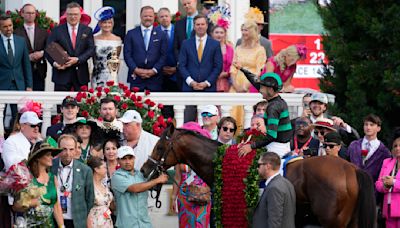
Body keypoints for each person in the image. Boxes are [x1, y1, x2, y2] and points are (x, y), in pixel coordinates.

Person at [237, 72, 293, 158]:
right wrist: (242, 69)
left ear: (270, 90)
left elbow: (271, 135)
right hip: (282, 145)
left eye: (262, 88)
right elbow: (255, 82)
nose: (260, 90)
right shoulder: (277, 100)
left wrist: (251, 146)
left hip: (276, 149)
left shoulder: (273, 107)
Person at [178, 14, 223, 122]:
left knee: (208, 121)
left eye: (202, 24)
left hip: (208, 89)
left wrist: (207, 82)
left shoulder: (215, 44)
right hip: (189, 89)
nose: (200, 26)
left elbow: (218, 66)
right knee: (188, 122)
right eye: (197, 24)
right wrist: (191, 82)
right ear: (194, 26)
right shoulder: (186, 43)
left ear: (207, 26)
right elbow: (182, 65)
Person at [111, 146, 168, 228]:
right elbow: (135, 188)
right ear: (118, 161)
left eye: (130, 158)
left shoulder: (141, 174)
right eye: (124, 159)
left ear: (134, 158)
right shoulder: (117, 176)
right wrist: (158, 180)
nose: (127, 162)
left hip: (145, 223)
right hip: (126, 225)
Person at [45, 2, 95, 91]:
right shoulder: (57, 30)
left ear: (80, 15)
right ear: (66, 15)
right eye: (70, 14)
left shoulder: (87, 30)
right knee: (61, 103)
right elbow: (48, 50)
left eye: (75, 14)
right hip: (61, 75)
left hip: (81, 75)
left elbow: (91, 49)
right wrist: (55, 64)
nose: (73, 17)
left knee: (82, 104)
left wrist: (78, 59)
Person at [13, 142, 64, 227]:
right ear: (38, 158)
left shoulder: (53, 178)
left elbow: (56, 206)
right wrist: (30, 203)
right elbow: (16, 206)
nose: (51, 157)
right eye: (48, 155)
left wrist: (62, 226)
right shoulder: (27, 179)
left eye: (51, 155)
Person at [170, 122, 212, 228]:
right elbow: (177, 177)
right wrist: (173, 197)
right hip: (184, 197)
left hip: (202, 195)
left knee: (200, 224)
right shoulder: (181, 156)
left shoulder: (206, 155)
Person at [51, 134, 94, 228]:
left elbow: (90, 199)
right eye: (64, 149)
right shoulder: (50, 166)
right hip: (54, 219)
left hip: (77, 221)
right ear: (58, 149)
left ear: (75, 150)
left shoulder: (85, 170)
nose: (68, 153)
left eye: (71, 149)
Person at [230, 21, 266, 129]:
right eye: (242, 30)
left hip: (251, 85)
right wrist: (236, 85)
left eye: (246, 30)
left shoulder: (260, 50)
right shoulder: (238, 48)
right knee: (232, 112)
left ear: (252, 32)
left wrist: (245, 86)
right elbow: (233, 67)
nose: (243, 33)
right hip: (236, 85)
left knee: (247, 114)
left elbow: (259, 70)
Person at [124, 6, 168, 91]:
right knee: (134, 104)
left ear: (154, 17)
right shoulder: (131, 34)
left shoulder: (161, 34)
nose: (148, 18)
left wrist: (153, 71)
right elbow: (127, 54)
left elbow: (164, 55)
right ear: (140, 16)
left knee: (155, 104)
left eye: (150, 16)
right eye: (145, 16)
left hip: (155, 78)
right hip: (136, 78)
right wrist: (136, 69)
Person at [0, 15, 33, 128]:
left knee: (18, 115)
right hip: (2, 84)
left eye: (10, 25)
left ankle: (16, 136)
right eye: (5, 26)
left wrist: (29, 85)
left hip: (18, 84)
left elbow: (26, 65)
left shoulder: (21, 41)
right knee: (1, 114)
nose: (8, 28)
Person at [253, 152, 296, 228]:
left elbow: (275, 220)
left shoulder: (274, 187)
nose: (257, 168)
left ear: (267, 166)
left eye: (259, 165)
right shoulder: (286, 182)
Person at [14, 4, 48, 91]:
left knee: (39, 100)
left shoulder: (43, 32)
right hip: (22, 72)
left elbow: (49, 48)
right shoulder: (16, 33)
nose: (31, 15)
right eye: (28, 13)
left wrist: (42, 53)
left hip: (39, 71)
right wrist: (27, 57)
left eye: (33, 13)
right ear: (22, 14)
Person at [348, 114, 390, 184]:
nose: (368, 127)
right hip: (352, 188)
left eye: (371, 125)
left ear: (378, 128)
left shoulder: (385, 152)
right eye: (366, 124)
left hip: (372, 191)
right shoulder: (353, 146)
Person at [92, 6, 122, 87]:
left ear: (112, 24)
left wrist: (114, 75)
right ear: (100, 24)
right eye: (104, 22)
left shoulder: (117, 39)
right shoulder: (94, 39)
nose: (107, 25)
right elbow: (92, 58)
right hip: (97, 74)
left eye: (109, 23)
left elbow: (117, 58)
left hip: (111, 75)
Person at [375, 131, 400, 228]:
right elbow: (378, 183)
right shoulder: (387, 162)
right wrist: (385, 186)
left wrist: (393, 182)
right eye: (395, 146)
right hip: (388, 209)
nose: (398, 148)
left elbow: (393, 182)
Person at [157, 7, 179, 119]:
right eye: (161, 16)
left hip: (176, 73)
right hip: (159, 74)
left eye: (166, 16)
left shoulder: (178, 31)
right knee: (162, 106)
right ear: (158, 18)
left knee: (176, 106)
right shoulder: (154, 31)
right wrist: (160, 68)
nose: (164, 18)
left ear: (170, 17)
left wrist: (177, 68)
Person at [87, 156, 114, 228]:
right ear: (96, 169)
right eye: (104, 167)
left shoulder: (104, 185)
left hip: (107, 221)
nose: (106, 170)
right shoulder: (89, 186)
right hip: (95, 223)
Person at [211, 25, 234, 92]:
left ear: (225, 34)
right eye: (217, 32)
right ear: (212, 34)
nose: (219, 35)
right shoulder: (207, 47)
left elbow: (233, 64)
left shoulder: (230, 48)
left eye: (221, 32)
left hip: (225, 81)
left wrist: (226, 73)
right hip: (211, 80)